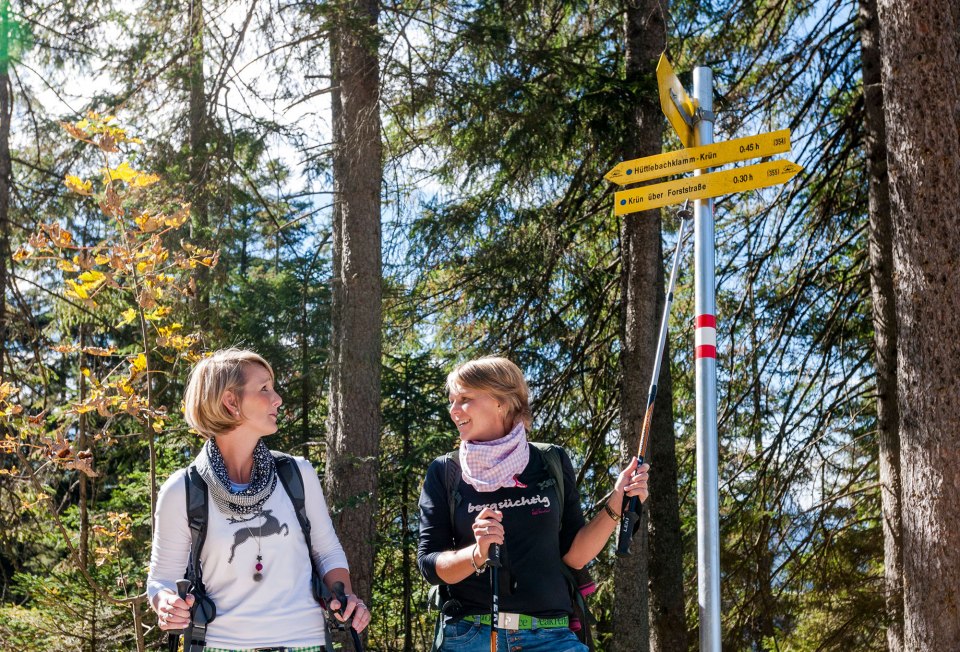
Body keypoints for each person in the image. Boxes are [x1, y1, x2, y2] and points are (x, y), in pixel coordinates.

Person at [417, 356, 649, 652]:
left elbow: (574, 557)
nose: (453, 410)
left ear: (501, 401)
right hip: (471, 635)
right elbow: (429, 565)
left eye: (464, 399)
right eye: (452, 401)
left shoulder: (550, 460)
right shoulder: (445, 471)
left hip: (552, 637)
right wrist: (476, 553)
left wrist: (617, 502)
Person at [148, 348, 370, 651]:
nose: (277, 398)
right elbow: (161, 580)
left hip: (305, 643)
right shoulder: (182, 490)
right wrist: (166, 605)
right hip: (220, 646)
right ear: (230, 401)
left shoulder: (298, 474)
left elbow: (328, 552)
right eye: (264, 388)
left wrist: (345, 596)